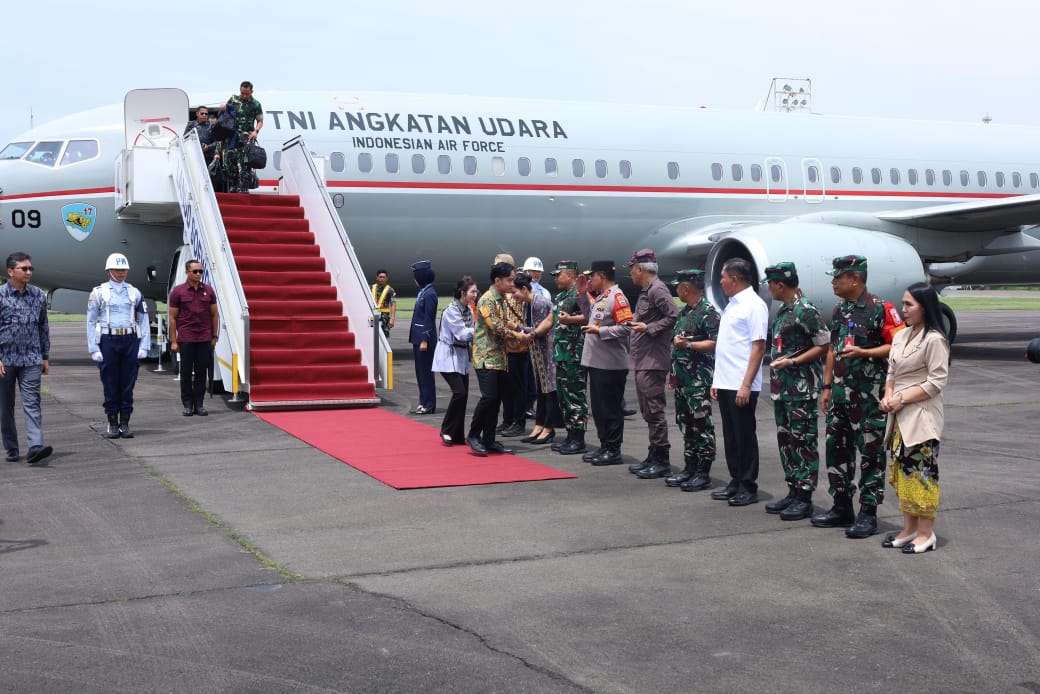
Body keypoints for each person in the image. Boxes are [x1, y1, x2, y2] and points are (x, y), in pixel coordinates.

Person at [812, 254, 904, 538]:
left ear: (855, 279)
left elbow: (899, 345)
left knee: (870, 455)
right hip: (840, 396)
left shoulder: (881, 308)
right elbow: (832, 349)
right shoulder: (839, 309)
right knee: (837, 451)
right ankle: (841, 506)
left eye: (838, 278)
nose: (833, 282)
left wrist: (865, 352)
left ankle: (868, 513)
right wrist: (827, 386)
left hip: (869, 400)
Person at [879, 282, 950, 554]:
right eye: (903, 303)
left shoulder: (934, 340)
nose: (903, 309)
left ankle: (925, 533)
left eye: (909, 304)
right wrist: (888, 395)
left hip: (922, 417)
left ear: (925, 306)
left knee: (922, 475)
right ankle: (908, 529)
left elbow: (936, 381)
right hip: (899, 417)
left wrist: (902, 398)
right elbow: (891, 373)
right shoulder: (901, 336)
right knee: (904, 474)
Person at [763, 262, 830, 520]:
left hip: (801, 390)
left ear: (780, 285)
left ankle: (804, 497)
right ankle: (793, 490)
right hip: (783, 390)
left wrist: (793, 362)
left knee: (803, 443)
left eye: (771, 284)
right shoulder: (784, 310)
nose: (769, 289)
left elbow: (823, 345)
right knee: (787, 442)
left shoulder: (806, 310)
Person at [709, 258, 769, 507]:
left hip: (741, 383)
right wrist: (717, 380)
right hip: (726, 381)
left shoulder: (754, 305)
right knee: (731, 435)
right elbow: (727, 347)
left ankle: (748, 485)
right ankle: (735, 480)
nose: (721, 282)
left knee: (744, 435)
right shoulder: (733, 305)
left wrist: (746, 385)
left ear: (734, 279)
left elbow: (758, 347)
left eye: (723, 277)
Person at [624, 249, 679, 479]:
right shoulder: (647, 290)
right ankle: (654, 454)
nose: (631, 273)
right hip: (643, 359)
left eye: (632, 269)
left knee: (654, 410)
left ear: (640, 269)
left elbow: (673, 315)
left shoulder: (657, 289)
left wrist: (649, 328)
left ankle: (662, 459)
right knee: (648, 410)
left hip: (653, 360)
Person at [665, 269, 719, 491]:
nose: (676, 289)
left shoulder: (708, 312)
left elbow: (715, 342)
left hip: (698, 380)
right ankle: (690, 466)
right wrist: (673, 375)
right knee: (685, 424)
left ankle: (703, 472)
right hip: (683, 379)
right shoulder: (685, 312)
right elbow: (676, 345)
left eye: (678, 286)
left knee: (701, 425)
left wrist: (688, 344)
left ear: (686, 288)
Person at [467, 262, 529, 456]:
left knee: (496, 401)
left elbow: (504, 322)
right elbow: (497, 328)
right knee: (489, 398)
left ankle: (489, 439)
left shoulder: (500, 299)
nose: (512, 284)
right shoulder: (487, 300)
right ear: (497, 280)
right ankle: (473, 435)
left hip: (499, 358)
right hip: (486, 357)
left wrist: (520, 328)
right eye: (509, 280)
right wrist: (520, 337)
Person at [87, 253, 150, 438]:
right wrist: (94, 348)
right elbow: (91, 321)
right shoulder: (98, 292)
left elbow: (144, 319)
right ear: (108, 271)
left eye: (124, 270)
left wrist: (144, 345)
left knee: (128, 382)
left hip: (129, 339)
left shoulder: (134, 292)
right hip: (108, 339)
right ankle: (112, 423)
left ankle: (125, 423)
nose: (121, 273)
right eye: (117, 269)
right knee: (110, 382)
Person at [0, 252, 52, 466]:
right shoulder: (1, 295)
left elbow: (43, 326)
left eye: (30, 268)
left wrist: (45, 356)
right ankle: (12, 447)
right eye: (24, 268)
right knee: (5, 406)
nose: (28, 272)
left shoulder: (38, 295)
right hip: (5, 360)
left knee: (32, 403)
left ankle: (35, 446)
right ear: (10, 271)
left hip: (31, 359)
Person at [580, 260, 633, 466]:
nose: (590, 280)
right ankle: (604, 445)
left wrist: (600, 331)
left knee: (611, 409)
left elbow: (627, 327)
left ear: (601, 276)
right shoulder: (602, 297)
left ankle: (613, 449)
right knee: (599, 409)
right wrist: (581, 294)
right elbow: (590, 317)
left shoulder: (617, 297)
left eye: (592, 276)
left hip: (611, 365)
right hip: (597, 363)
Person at [546, 260, 589, 455]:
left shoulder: (579, 294)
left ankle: (578, 438)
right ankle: (570, 435)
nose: (556, 278)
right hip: (561, 354)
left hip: (574, 354)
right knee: (563, 396)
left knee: (575, 395)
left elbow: (589, 316)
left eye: (559, 275)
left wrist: (570, 319)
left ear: (570, 275)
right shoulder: (560, 296)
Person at [514, 272, 561, 444]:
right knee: (541, 389)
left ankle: (549, 427)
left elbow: (539, 329)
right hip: (537, 353)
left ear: (524, 289)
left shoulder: (540, 303)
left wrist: (516, 327)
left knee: (549, 390)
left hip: (547, 352)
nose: (513, 296)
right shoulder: (527, 304)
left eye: (515, 292)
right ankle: (540, 424)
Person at [168, 259, 219, 417]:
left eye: (200, 271)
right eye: (195, 271)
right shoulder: (178, 291)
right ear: (187, 272)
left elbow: (214, 315)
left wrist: (214, 336)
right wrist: (174, 341)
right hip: (186, 338)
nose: (198, 274)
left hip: (204, 338)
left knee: (201, 372)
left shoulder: (209, 290)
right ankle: (187, 404)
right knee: (185, 373)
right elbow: (172, 318)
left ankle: (199, 404)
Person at [432, 276, 478, 446]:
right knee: (460, 393)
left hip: (461, 356)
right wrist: (480, 328)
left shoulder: (468, 310)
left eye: (476, 291)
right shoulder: (451, 310)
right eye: (472, 292)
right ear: (462, 293)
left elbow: (470, 334)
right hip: (448, 356)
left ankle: (457, 434)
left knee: (463, 395)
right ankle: (446, 429)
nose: (475, 294)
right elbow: (461, 334)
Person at [220, 80, 264, 194]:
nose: (244, 96)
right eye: (243, 93)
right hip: (232, 135)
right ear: (240, 90)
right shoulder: (233, 99)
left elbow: (260, 121)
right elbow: (225, 111)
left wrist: (256, 131)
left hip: (246, 136)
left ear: (252, 91)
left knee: (244, 162)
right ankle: (234, 183)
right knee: (229, 160)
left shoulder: (256, 104)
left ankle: (243, 186)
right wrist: (223, 107)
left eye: (247, 94)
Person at [409, 260, 438, 415]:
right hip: (418, 338)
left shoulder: (430, 294)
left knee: (426, 372)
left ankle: (429, 403)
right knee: (420, 372)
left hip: (423, 339)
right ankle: (423, 401)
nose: (414, 279)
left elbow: (428, 318)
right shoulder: (424, 292)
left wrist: (424, 340)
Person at [371, 269, 397, 338]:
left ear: (386, 278)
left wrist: (392, 319)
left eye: (384, 277)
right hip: (372, 316)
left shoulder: (390, 290)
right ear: (377, 278)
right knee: (370, 334)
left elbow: (393, 304)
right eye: (380, 277)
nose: (382, 279)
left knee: (384, 336)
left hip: (384, 318)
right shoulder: (371, 288)